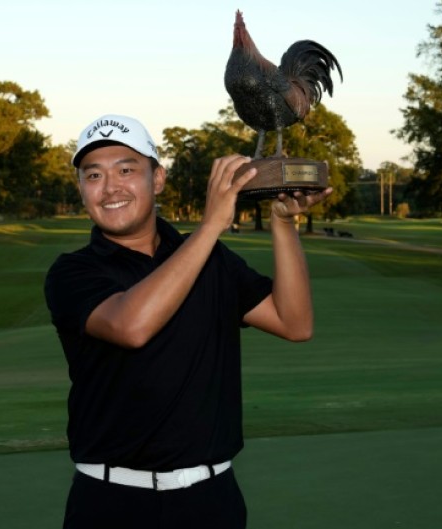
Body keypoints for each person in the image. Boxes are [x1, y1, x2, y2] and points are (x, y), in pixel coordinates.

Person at [44, 114, 331, 529]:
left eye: (127, 170)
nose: (111, 188)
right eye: (93, 175)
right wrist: (212, 223)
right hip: (112, 505)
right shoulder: (73, 272)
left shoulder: (212, 260)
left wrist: (283, 223)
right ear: (81, 189)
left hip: (211, 502)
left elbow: (295, 323)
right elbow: (132, 326)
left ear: (157, 179)